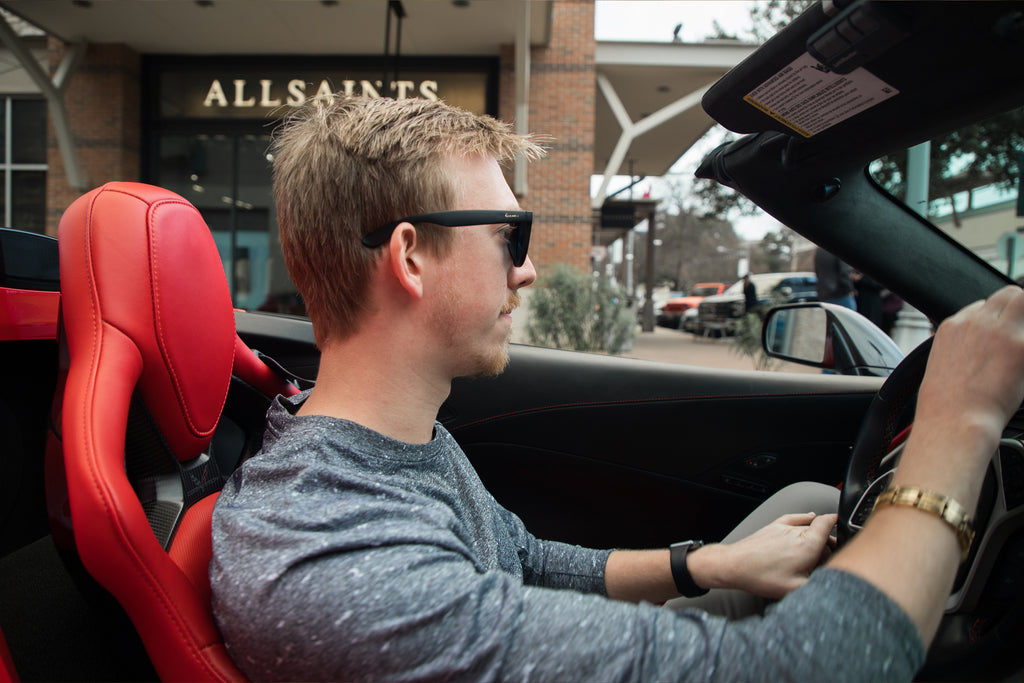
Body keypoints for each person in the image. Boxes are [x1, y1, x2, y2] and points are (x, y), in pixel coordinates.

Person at [210, 95, 1024, 681]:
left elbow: (522, 557)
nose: (526, 269)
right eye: (509, 235)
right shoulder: (333, 558)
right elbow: (817, 666)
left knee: (802, 500)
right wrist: (961, 420)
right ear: (411, 256)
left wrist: (713, 564)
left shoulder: (387, 440)